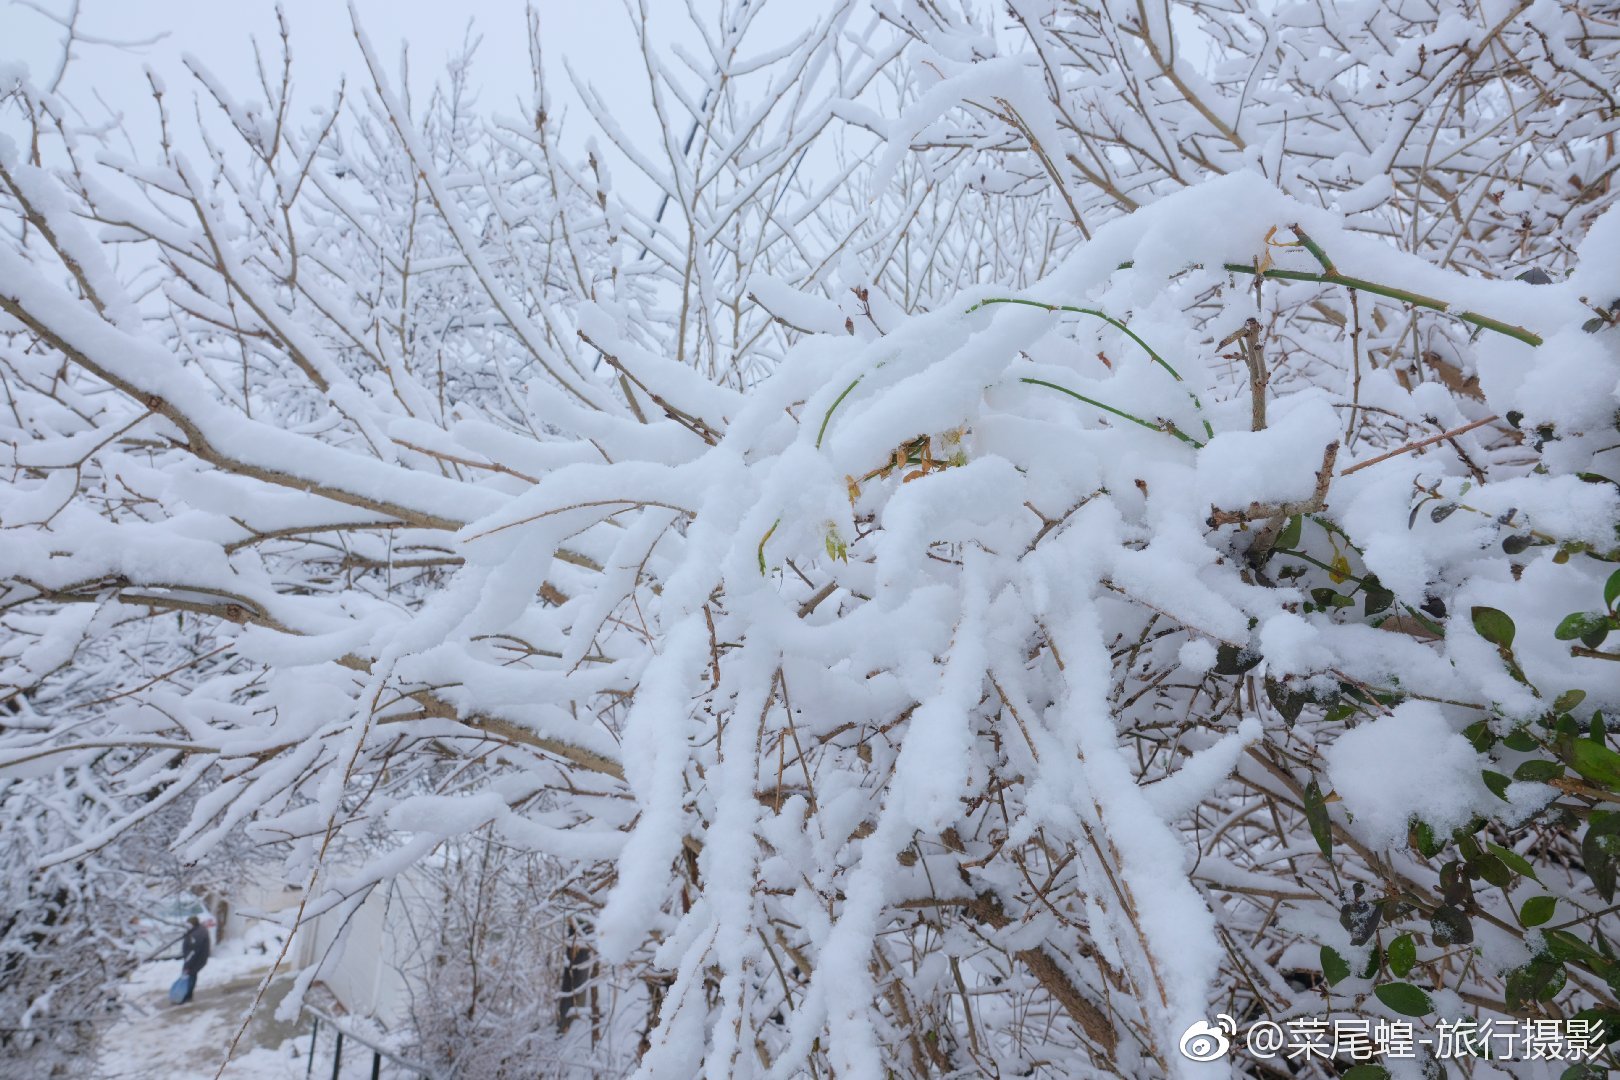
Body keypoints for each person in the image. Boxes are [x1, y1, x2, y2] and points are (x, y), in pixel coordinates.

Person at [178, 915, 211, 1003]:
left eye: (188, 924)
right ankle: (188, 994)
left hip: (195, 960)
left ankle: (187, 995)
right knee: (192, 975)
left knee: (190, 975)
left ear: (193, 924)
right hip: (198, 959)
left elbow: (193, 952)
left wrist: (187, 965)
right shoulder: (198, 930)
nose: (187, 926)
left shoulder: (197, 934)